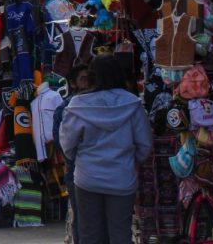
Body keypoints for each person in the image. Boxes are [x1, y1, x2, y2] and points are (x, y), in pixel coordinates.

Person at [60, 55, 152, 244]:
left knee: (90, 234)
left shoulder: (78, 105)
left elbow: (67, 145)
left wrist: (79, 159)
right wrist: (130, 161)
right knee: (120, 233)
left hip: (87, 178)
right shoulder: (133, 104)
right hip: (122, 178)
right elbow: (144, 146)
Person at [53, 64, 90, 244]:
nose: (88, 82)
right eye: (83, 78)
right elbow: (60, 142)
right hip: (77, 171)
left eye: (89, 78)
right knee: (81, 218)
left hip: (93, 171)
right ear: (73, 83)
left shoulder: (97, 103)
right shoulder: (65, 108)